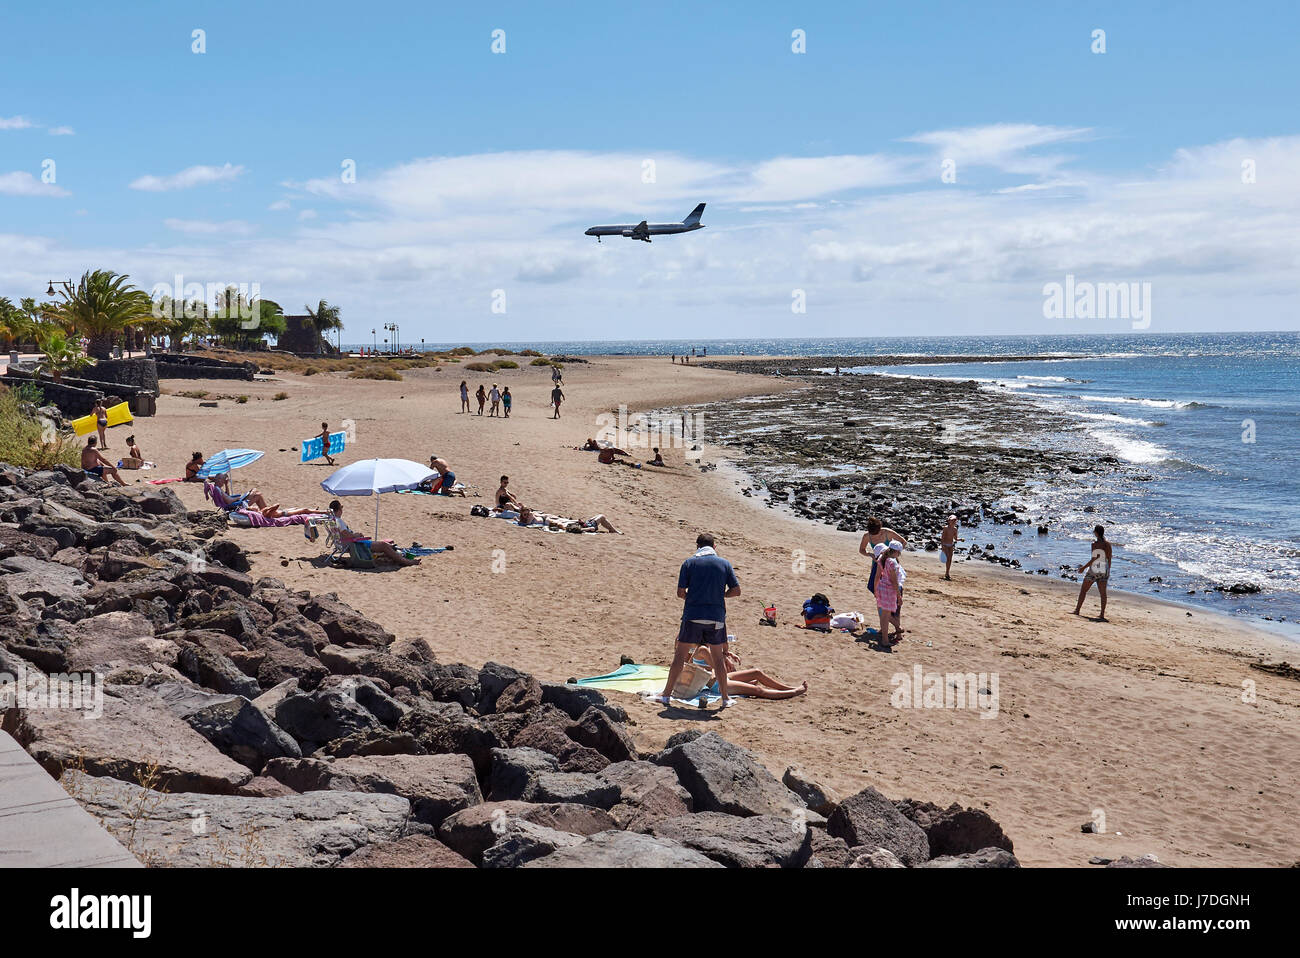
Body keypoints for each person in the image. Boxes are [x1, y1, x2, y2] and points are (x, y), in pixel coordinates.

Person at [651, 533, 741, 709]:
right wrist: (720, 595)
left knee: (680, 655)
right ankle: (725, 698)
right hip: (716, 616)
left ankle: (666, 695)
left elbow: (680, 593)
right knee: (718, 659)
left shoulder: (689, 563)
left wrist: (694, 598)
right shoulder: (724, 563)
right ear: (715, 547)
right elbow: (736, 590)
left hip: (693, 614)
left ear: (697, 546)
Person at [688, 641, 808, 700]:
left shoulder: (702, 647)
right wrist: (724, 660)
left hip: (720, 679)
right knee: (758, 690)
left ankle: (787, 688)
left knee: (756, 672)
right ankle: (793, 692)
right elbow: (719, 669)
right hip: (718, 684)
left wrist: (726, 655)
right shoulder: (703, 649)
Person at [328, 499, 419, 566]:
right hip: (354, 544)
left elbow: (343, 535)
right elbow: (346, 534)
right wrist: (357, 535)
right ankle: (407, 562)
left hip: (347, 543)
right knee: (384, 545)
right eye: (341, 508)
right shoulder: (338, 521)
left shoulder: (332, 521)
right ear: (339, 509)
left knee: (388, 545)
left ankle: (398, 557)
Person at [859, 516, 909, 595]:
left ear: (880, 529)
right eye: (872, 534)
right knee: (875, 586)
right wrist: (870, 555)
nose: (875, 536)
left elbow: (903, 542)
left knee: (893, 583)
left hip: (891, 562)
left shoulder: (887, 532)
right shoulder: (866, 536)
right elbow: (861, 550)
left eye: (876, 533)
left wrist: (895, 554)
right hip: (877, 562)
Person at [1073, 525, 1113, 621]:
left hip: (1095, 569)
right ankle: (1102, 614)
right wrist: (1108, 569)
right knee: (1103, 593)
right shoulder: (1108, 544)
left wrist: (1083, 567)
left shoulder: (1094, 544)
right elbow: (1109, 558)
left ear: (1096, 533)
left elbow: (1094, 559)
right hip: (1104, 569)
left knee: (1084, 590)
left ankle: (1077, 610)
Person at [873, 543, 902, 646]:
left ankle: (886, 637)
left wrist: (876, 589)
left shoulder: (881, 558)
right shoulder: (892, 563)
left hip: (882, 587)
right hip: (889, 590)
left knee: (884, 615)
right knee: (886, 615)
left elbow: (877, 576)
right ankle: (885, 640)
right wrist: (899, 596)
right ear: (896, 552)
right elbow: (894, 582)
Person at [939, 515, 962, 580]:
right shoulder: (946, 528)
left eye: (954, 521)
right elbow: (942, 538)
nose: (953, 522)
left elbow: (955, 538)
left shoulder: (955, 529)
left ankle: (947, 573)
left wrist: (960, 539)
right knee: (947, 558)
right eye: (952, 520)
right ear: (949, 521)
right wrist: (942, 546)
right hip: (945, 545)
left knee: (950, 559)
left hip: (951, 545)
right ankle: (947, 573)